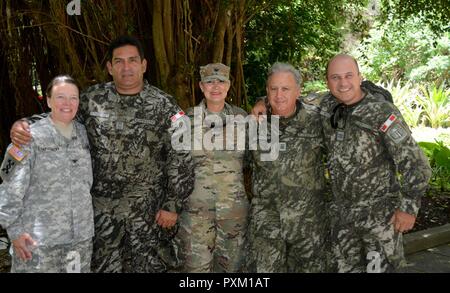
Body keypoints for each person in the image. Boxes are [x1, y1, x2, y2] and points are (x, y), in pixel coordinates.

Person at [9, 36, 195, 273]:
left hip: (149, 213)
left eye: (132, 60)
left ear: (144, 65)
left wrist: (173, 204)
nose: (126, 67)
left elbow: (181, 157)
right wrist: (25, 124)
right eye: (118, 61)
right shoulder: (92, 99)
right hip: (102, 214)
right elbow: (60, 116)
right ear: (109, 67)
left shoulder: (165, 105)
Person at [320, 54, 432, 272]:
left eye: (349, 76)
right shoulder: (327, 107)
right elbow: (290, 99)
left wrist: (408, 207)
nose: (343, 83)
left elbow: (416, 162)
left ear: (360, 77)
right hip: (343, 221)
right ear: (327, 82)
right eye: (335, 77)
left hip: (379, 221)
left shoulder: (382, 113)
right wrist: (263, 102)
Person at [0, 75, 94, 273]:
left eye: (73, 98)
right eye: (60, 97)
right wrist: (14, 232)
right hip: (37, 242)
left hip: (79, 241)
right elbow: (9, 187)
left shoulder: (86, 135)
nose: (67, 103)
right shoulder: (28, 137)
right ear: (49, 100)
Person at [245, 62, 328, 273]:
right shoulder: (255, 123)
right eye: (273, 89)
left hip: (308, 227)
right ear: (266, 91)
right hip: (267, 227)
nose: (279, 95)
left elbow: (344, 96)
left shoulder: (317, 120)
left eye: (286, 89)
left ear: (298, 91)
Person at [176, 63, 249, 272]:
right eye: (209, 81)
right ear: (201, 85)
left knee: (231, 271)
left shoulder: (243, 119)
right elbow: (174, 165)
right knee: (196, 271)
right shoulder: (185, 120)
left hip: (233, 214)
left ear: (229, 85)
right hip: (196, 214)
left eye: (221, 81)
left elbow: (257, 159)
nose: (215, 86)